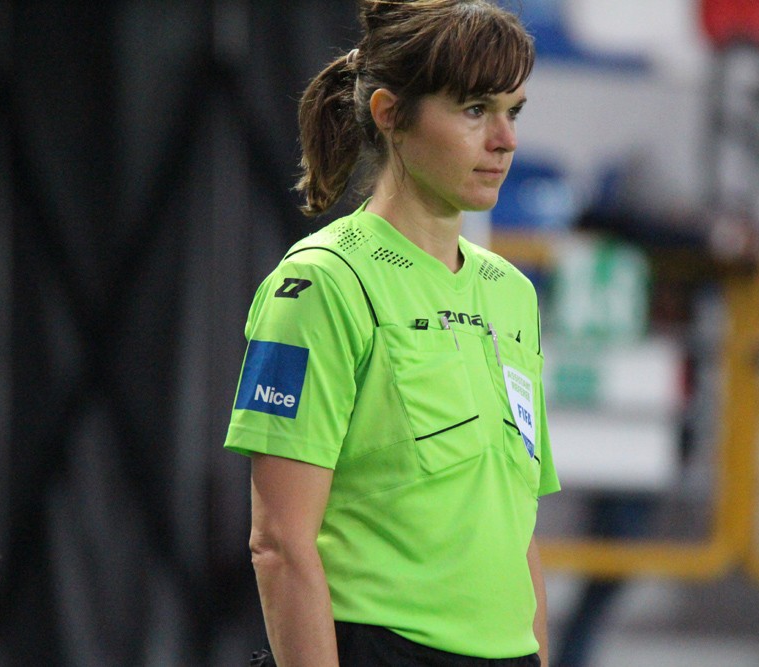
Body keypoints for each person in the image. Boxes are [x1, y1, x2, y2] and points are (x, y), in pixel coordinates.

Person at [224, 1, 560, 664]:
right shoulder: (322, 282)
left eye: (513, 111)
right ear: (390, 114)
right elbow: (280, 542)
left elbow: (516, 528)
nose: (505, 139)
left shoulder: (512, 293)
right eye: (475, 110)